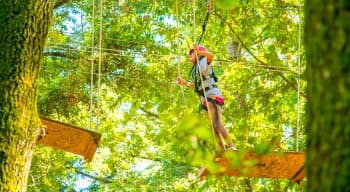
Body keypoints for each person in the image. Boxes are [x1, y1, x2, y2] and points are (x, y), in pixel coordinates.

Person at [176, 45, 237, 151]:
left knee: (217, 122)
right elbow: (198, 86)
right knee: (213, 127)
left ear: (198, 53)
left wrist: (201, 53)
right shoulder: (196, 70)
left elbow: (211, 56)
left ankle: (231, 146)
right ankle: (222, 150)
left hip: (212, 94)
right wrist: (185, 83)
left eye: (192, 54)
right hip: (204, 98)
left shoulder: (204, 60)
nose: (189, 56)